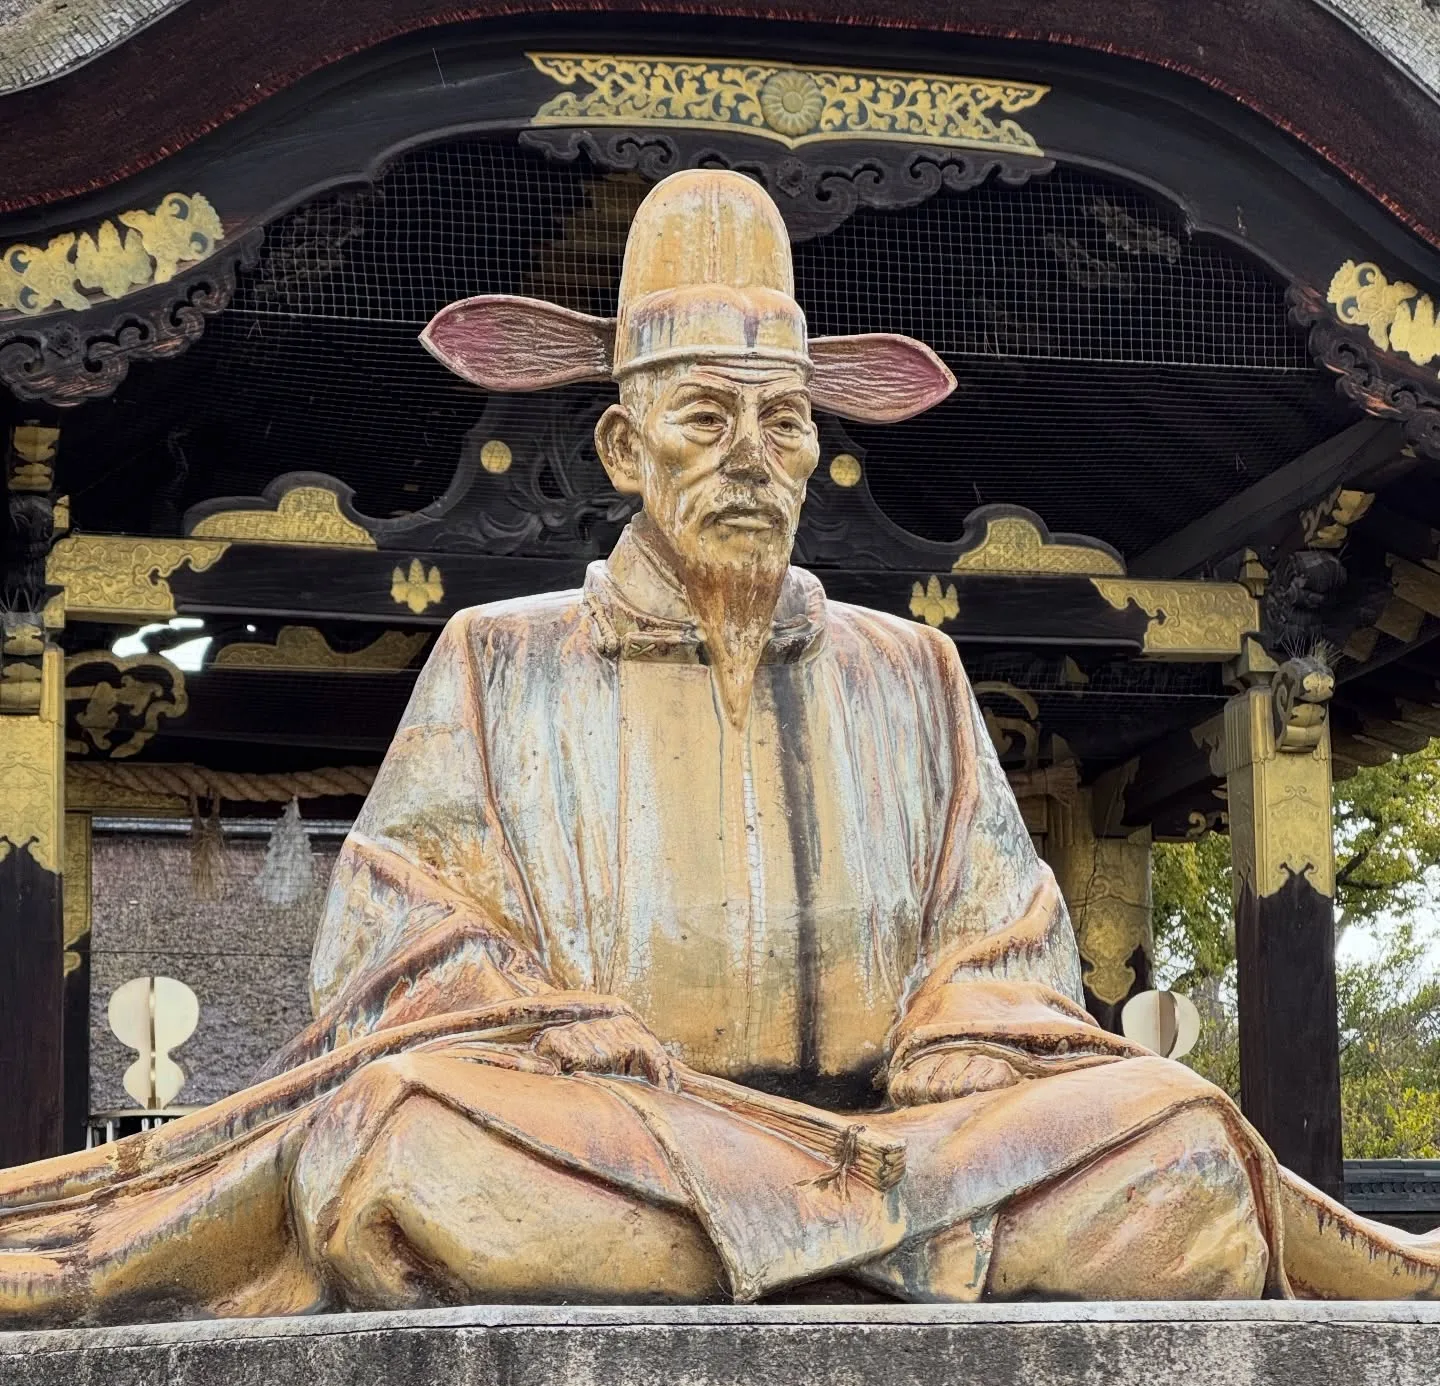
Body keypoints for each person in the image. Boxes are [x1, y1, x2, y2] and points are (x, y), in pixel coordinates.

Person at [1, 170, 1435, 1320]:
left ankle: (814, 1240)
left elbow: (999, 952)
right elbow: (403, 951)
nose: (754, 459)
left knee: (1174, 1137)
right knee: (407, 1142)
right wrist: (559, 1035)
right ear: (627, 449)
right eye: (706, 418)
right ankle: (882, 1254)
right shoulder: (500, 660)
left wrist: (958, 1058)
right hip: (615, 1141)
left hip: (898, 1147)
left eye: (785, 424)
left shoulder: (911, 674)